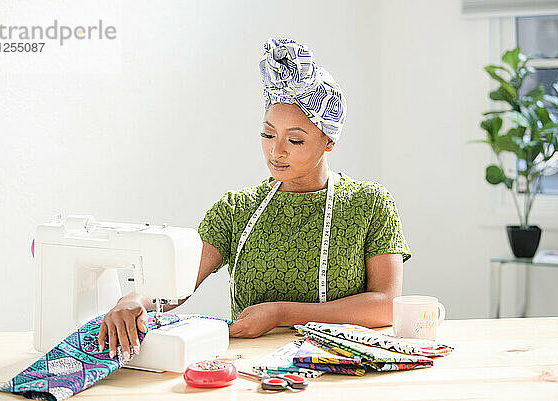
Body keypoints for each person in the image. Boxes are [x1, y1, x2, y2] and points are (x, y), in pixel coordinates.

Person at [98, 37, 411, 359]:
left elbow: (386, 304)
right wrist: (132, 300)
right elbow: (177, 282)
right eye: (267, 134)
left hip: (344, 363)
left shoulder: (369, 203)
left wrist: (282, 313)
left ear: (329, 140)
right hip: (252, 365)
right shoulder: (236, 209)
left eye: (296, 140)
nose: (277, 151)